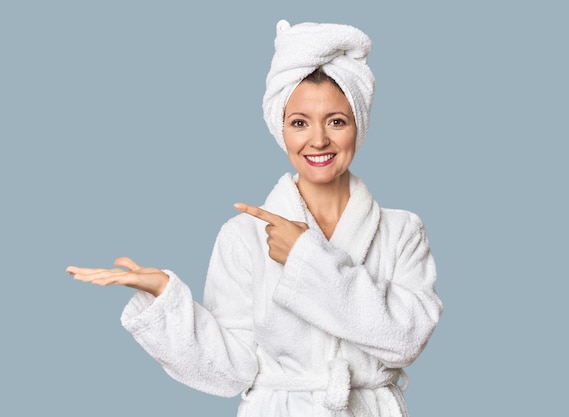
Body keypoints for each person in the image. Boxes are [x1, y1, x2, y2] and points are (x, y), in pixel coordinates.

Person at [67, 19, 443, 417]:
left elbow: (406, 339)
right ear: (280, 129)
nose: (318, 140)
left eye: (336, 121)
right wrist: (166, 298)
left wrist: (305, 259)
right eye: (299, 122)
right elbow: (230, 371)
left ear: (358, 127)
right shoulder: (244, 236)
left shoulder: (402, 232)